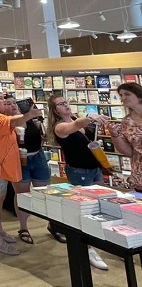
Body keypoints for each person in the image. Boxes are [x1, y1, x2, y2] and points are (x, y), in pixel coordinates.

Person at [47, 94, 109, 270]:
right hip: (79, 171)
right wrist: (90, 118)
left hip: (93, 168)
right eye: (61, 104)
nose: (66, 105)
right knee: (84, 208)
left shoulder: (74, 118)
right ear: (54, 110)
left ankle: (95, 239)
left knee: (99, 204)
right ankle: (87, 248)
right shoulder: (60, 126)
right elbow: (74, 126)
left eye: (66, 102)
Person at [0, 91, 42, 256]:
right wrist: (30, 114)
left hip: (0, 166)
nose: (6, 101)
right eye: (1, 99)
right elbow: (15, 120)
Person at [6, 96, 52, 245]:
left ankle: (53, 224)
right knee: (22, 195)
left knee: (45, 192)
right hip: (18, 161)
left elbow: (41, 136)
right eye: (8, 103)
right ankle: (23, 227)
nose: (12, 105)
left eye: (14, 102)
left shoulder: (31, 119)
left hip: (37, 156)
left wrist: (43, 134)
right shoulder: (7, 121)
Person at [105, 83, 142, 191]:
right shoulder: (127, 121)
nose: (123, 98)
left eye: (127, 94)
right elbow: (129, 152)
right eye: (121, 95)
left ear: (139, 96)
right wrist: (114, 134)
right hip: (139, 177)